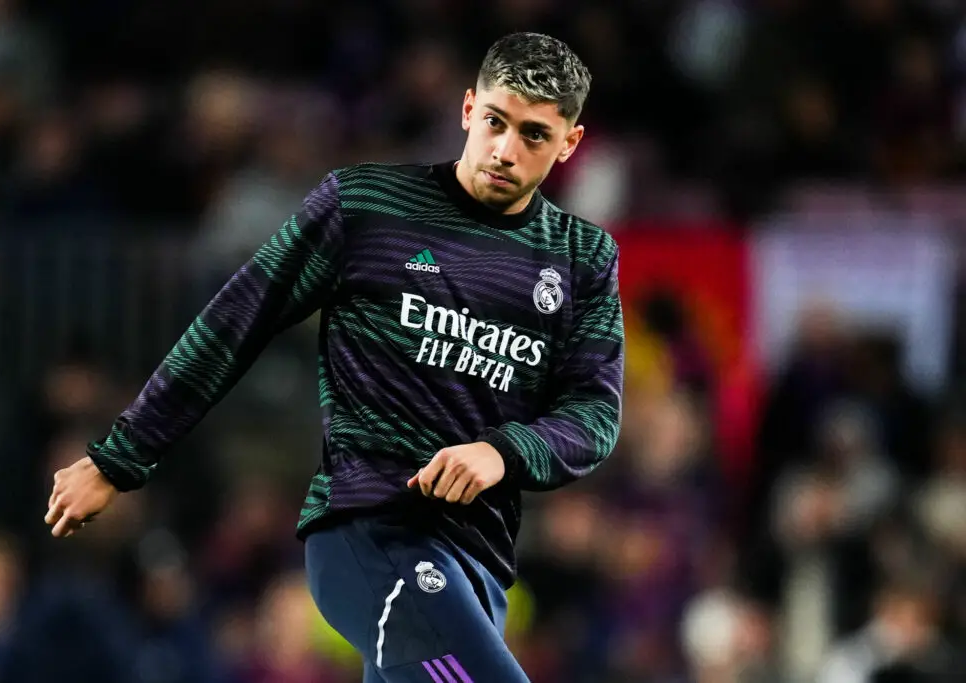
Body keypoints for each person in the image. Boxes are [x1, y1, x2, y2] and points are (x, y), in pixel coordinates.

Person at [45, 32, 624, 682]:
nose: (505, 149)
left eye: (534, 135)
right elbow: (237, 319)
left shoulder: (581, 258)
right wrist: (121, 456)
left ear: (569, 143)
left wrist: (502, 451)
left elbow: (594, 415)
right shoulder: (366, 207)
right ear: (468, 109)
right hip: (372, 531)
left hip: (479, 564)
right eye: (495, 121)